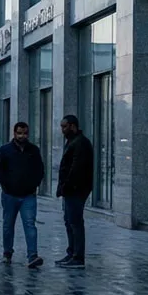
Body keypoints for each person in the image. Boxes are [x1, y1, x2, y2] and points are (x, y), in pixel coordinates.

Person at [0, 122, 45, 268]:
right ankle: (7, 253)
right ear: (14, 134)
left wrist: (34, 184)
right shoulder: (5, 150)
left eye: (25, 133)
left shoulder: (33, 150)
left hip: (28, 195)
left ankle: (32, 256)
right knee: (8, 225)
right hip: (10, 195)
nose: (22, 136)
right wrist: (6, 184)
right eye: (20, 133)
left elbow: (40, 170)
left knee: (30, 224)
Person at [56, 114, 94, 269]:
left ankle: (78, 257)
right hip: (70, 189)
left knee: (75, 223)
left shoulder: (80, 143)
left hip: (76, 189)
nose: (62, 130)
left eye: (64, 126)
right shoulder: (72, 141)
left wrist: (66, 186)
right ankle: (72, 253)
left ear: (72, 126)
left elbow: (76, 168)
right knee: (69, 222)